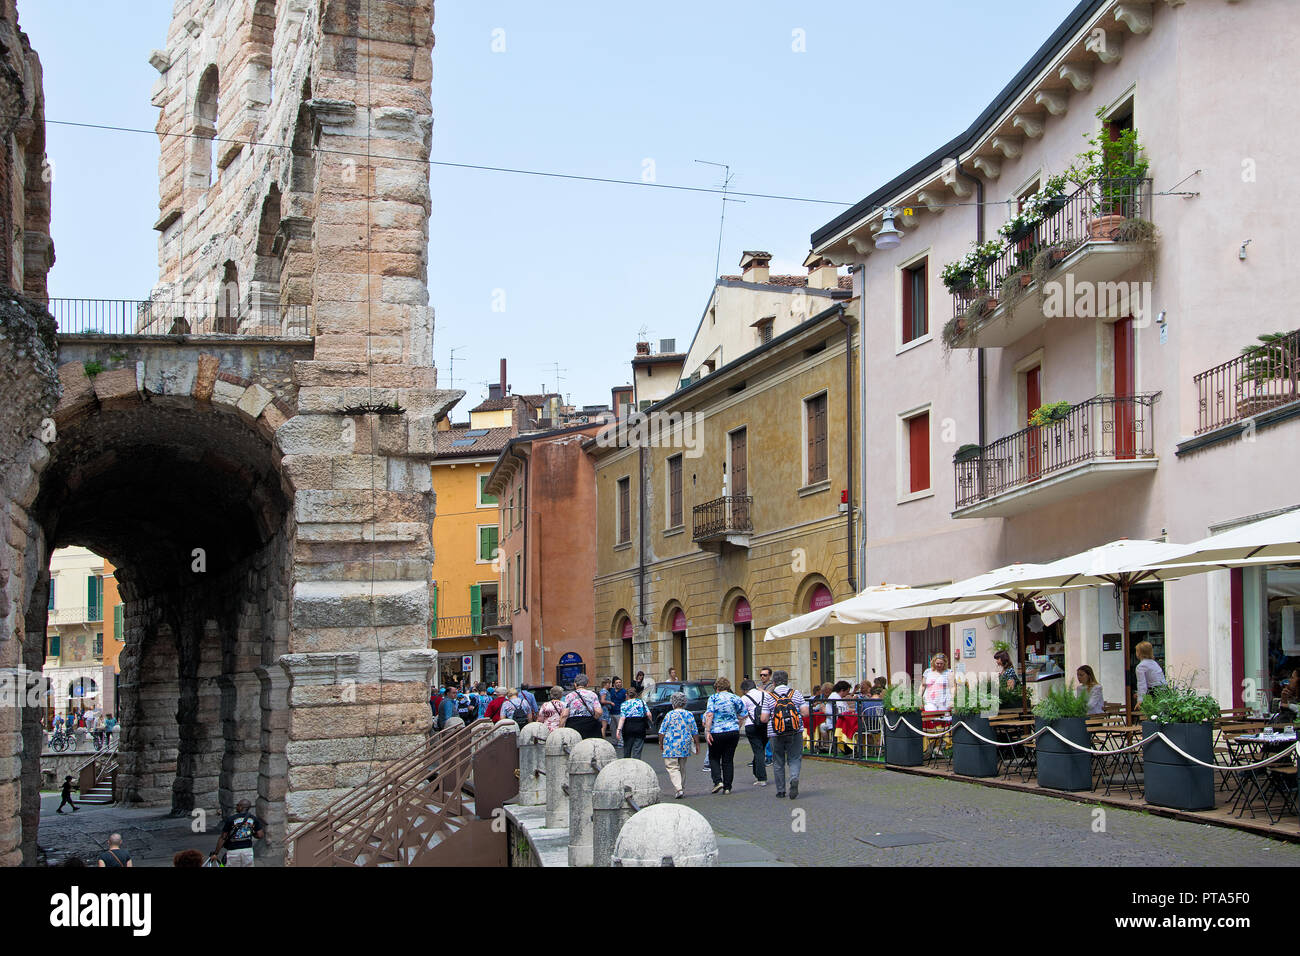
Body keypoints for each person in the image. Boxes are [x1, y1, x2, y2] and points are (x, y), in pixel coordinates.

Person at [760, 670, 809, 799]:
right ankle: (794, 778)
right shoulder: (796, 693)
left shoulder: (769, 696)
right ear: (787, 681)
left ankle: (780, 791)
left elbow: (764, 718)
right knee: (794, 758)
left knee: (778, 761)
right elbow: (805, 713)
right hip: (795, 731)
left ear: (774, 682)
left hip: (775, 733)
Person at [702, 677, 745, 794]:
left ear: (717, 688)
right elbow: (743, 714)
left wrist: (707, 731)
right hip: (733, 732)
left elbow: (709, 715)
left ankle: (717, 781)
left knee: (714, 757)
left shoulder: (713, 698)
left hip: (717, 732)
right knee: (728, 760)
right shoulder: (735, 698)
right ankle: (727, 787)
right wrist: (738, 725)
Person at [657, 692, 698, 799]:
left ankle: (678, 788)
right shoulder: (689, 714)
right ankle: (680, 788)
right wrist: (697, 744)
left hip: (671, 744)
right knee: (682, 767)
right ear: (684, 703)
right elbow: (695, 731)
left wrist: (661, 743)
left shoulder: (670, 715)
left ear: (673, 703)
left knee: (672, 767)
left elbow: (662, 731)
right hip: (685, 744)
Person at [214, 799, 266, 867]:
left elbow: (223, 837)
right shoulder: (253, 819)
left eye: (238, 805)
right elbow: (260, 835)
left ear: (241, 807)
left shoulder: (231, 819)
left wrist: (216, 853)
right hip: (247, 850)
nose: (236, 806)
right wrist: (251, 833)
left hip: (233, 851)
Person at [739, 678, 767, 786]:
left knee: (758, 750)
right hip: (765, 724)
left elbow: (741, 714)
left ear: (745, 689)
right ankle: (757, 771)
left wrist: (739, 725)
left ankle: (761, 778)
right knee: (761, 749)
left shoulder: (744, 698)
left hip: (751, 725)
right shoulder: (765, 695)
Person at [560, 674, 604, 739]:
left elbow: (564, 715)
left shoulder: (569, 696)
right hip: (590, 725)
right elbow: (599, 712)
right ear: (587, 684)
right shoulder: (593, 695)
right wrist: (593, 718)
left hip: (573, 725)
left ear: (575, 684)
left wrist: (560, 728)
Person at [615, 685, 650, 759]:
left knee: (627, 749)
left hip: (628, 727)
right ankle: (636, 765)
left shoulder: (624, 704)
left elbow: (622, 718)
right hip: (640, 726)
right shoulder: (642, 702)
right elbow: (649, 714)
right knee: (637, 750)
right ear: (636, 694)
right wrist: (650, 721)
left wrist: (618, 730)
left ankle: (627, 764)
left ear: (627, 695)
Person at [1134, 641, 1166, 705]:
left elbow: (1142, 684)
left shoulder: (1141, 666)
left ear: (1139, 653)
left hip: (1154, 692)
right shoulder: (1154, 663)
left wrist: (1140, 700)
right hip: (1163, 690)